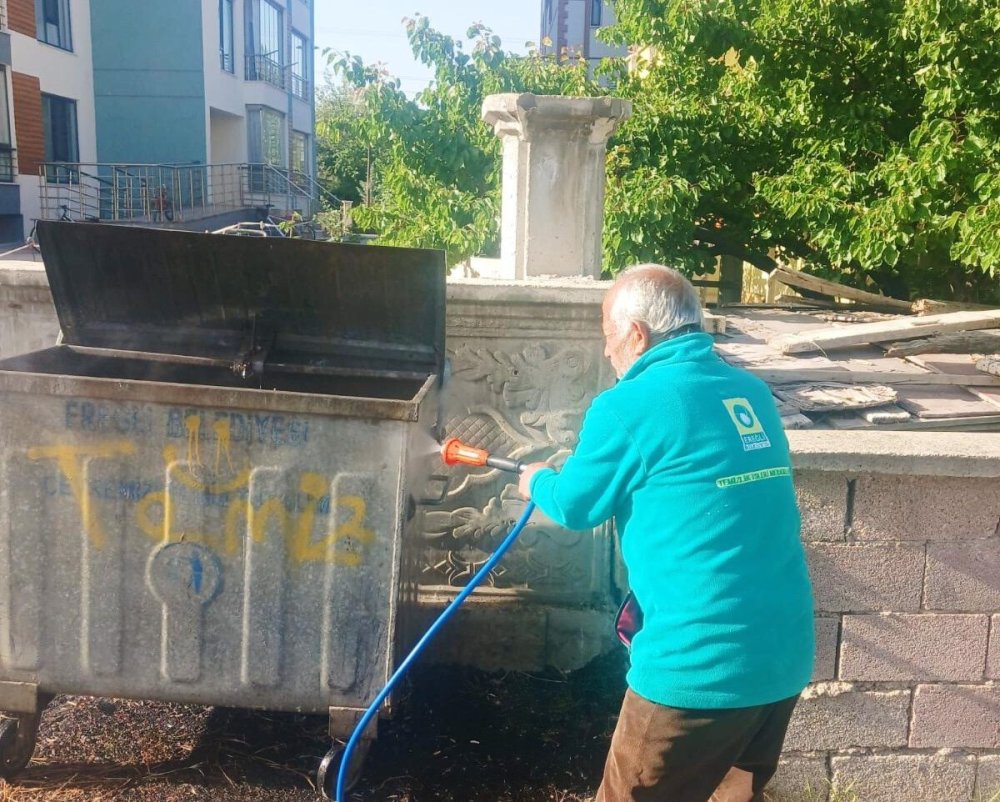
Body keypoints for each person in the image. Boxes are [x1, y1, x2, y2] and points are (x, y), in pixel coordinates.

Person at [517, 264, 814, 802]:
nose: (607, 353)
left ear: (637, 334)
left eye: (608, 336)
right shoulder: (751, 393)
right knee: (732, 794)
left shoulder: (629, 404)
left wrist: (535, 481)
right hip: (782, 656)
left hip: (699, 670)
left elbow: (576, 504)